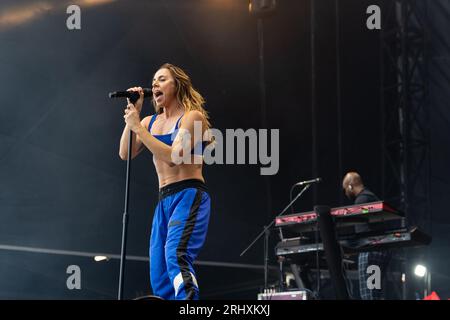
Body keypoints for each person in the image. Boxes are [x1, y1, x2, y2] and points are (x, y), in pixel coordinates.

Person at [119, 63, 212, 300]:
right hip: (164, 199)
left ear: (177, 85)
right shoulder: (150, 122)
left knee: (175, 254)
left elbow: (174, 156)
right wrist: (135, 114)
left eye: (161, 80)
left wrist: (138, 128)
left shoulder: (192, 117)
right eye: (153, 81)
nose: (154, 85)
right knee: (158, 269)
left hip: (188, 194)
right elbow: (125, 153)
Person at [342, 172, 390, 300]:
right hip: (378, 250)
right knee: (374, 293)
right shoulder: (370, 196)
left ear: (350, 186)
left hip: (370, 251)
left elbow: (363, 233)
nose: (345, 193)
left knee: (369, 295)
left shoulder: (362, 199)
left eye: (345, 189)